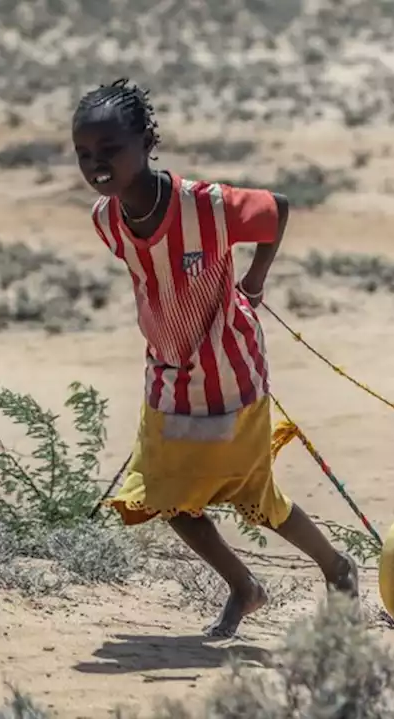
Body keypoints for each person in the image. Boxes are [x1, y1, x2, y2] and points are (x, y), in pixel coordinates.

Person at [71, 78, 358, 638]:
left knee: (254, 496)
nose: (97, 165)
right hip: (168, 372)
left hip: (230, 366)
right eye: (85, 154)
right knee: (168, 497)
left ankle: (337, 568)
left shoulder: (204, 205)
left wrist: (254, 277)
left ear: (146, 142)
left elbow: (276, 210)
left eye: (110, 151)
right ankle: (244, 588)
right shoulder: (106, 220)